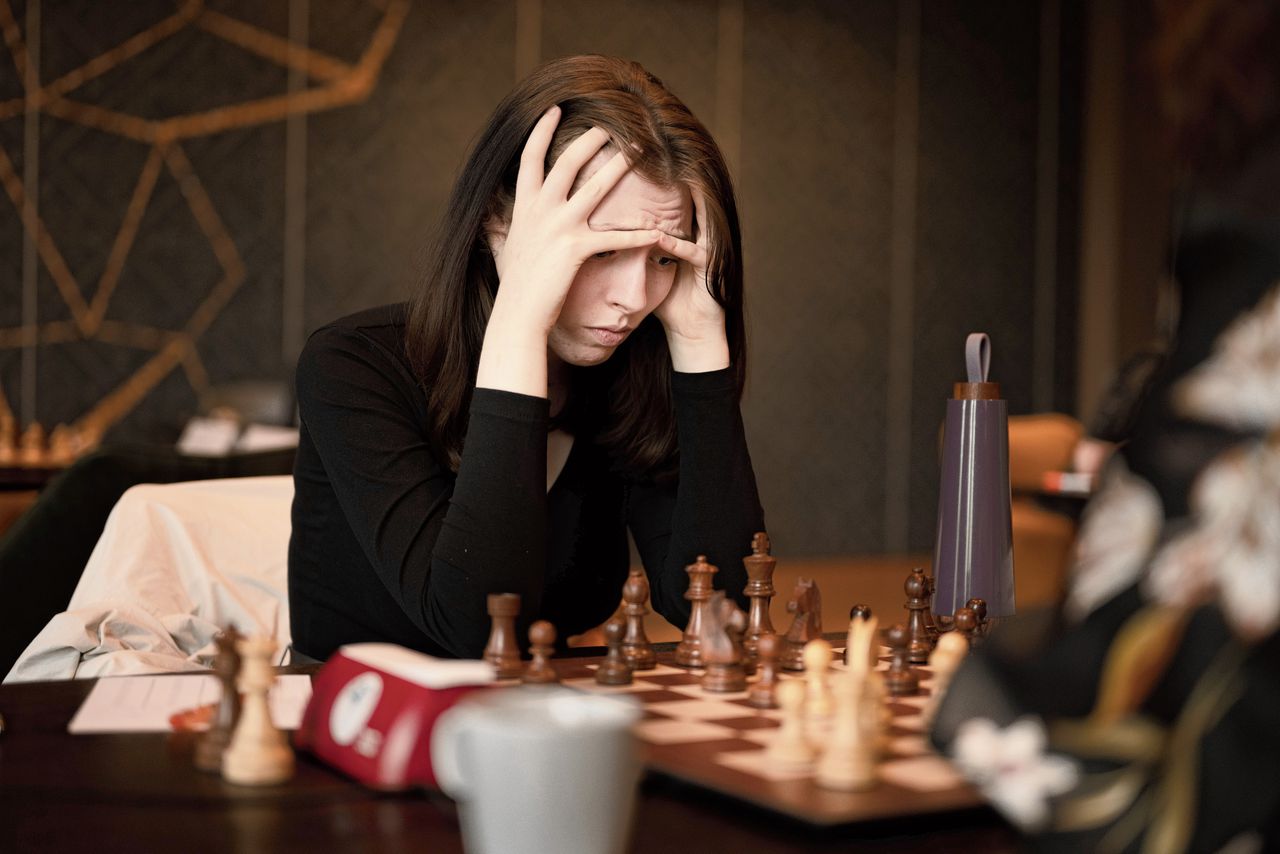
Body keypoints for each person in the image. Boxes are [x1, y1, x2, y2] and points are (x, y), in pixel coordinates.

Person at [287, 55, 765, 661]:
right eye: (601, 249)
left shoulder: (630, 372)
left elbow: (721, 610)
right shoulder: (351, 365)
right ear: (497, 218)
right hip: (362, 728)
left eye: (664, 258)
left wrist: (700, 347)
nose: (635, 298)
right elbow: (477, 629)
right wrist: (520, 318)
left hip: (543, 726)